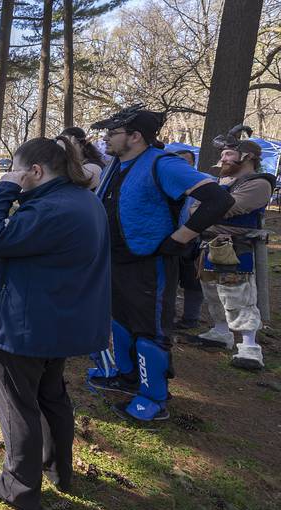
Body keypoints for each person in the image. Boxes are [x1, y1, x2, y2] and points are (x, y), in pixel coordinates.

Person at [0, 138, 111, 510]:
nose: (14, 177)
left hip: (22, 327)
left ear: (35, 171)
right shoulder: (83, 201)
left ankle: (19, 488)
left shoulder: (50, 209)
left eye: (18, 171)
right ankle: (58, 470)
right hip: (55, 321)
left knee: (18, 407)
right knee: (52, 399)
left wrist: (4, 189)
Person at [88, 105, 234, 422]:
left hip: (149, 264)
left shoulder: (162, 164)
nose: (105, 139)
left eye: (112, 134)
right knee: (121, 322)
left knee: (150, 330)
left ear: (135, 136)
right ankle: (127, 379)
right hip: (117, 261)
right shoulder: (116, 165)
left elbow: (219, 199)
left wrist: (179, 238)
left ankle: (154, 398)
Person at [193, 126, 275, 369]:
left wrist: (206, 210)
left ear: (247, 156)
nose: (223, 159)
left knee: (238, 295)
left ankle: (249, 347)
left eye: (228, 154)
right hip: (210, 244)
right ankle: (221, 332)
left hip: (236, 248)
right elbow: (196, 208)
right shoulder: (223, 181)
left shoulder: (258, 184)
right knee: (212, 294)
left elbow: (224, 208)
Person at [172, 149, 205, 330]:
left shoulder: (202, 181)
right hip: (169, 239)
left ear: (192, 163)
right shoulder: (167, 183)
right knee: (170, 279)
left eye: (186, 162)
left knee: (193, 281)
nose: (181, 166)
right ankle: (168, 315)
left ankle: (191, 318)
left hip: (194, 240)